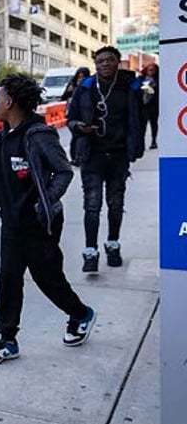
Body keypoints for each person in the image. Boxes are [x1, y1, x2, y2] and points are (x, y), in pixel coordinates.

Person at [0, 74, 96, 367]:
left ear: (10, 102)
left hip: (38, 223)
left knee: (48, 279)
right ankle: (7, 339)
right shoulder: (1, 138)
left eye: (0, 98)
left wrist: (44, 201)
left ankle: (80, 314)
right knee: (9, 281)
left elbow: (63, 171)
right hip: (11, 223)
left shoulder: (38, 135)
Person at [67, 46, 144, 272]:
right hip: (92, 154)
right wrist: (79, 127)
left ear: (118, 62)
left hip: (119, 154)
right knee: (92, 205)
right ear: (95, 64)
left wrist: (136, 146)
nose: (105, 64)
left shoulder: (130, 87)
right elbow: (71, 118)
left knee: (116, 203)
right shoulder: (86, 87)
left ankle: (113, 244)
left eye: (110, 60)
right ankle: (90, 252)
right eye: (100, 61)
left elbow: (139, 119)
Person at [61, 67, 90, 166]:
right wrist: (69, 91)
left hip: (84, 113)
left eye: (83, 77)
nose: (80, 79)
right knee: (76, 136)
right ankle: (76, 157)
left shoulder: (88, 85)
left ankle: (78, 158)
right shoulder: (72, 84)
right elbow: (63, 97)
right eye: (79, 76)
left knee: (80, 136)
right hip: (72, 113)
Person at [138, 63, 159, 150]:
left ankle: (154, 141)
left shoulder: (158, 80)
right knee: (142, 125)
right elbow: (137, 91)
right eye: (149, 69)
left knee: (153, 124)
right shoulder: (140, 79)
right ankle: (141, 143)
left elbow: (157, 92)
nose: (151, 71)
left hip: (154, 105)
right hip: (143, 106)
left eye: (153, 70)